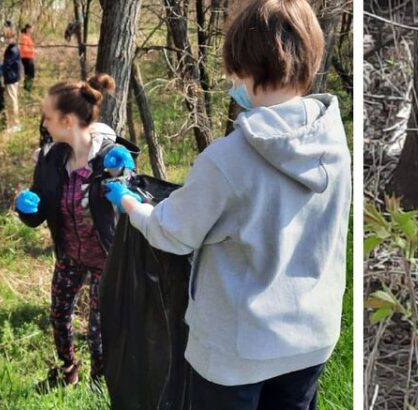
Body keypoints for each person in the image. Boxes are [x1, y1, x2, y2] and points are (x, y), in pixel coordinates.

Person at [102, 0, 347, 406]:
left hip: (238, 351)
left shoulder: (227, 159)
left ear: (245, 67)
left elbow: (173, 233)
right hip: (312, 338)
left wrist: (129, 203)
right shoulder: (335, 146)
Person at [14, 73, 127, 387]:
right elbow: (38, 214)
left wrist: (124, 178)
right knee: (59, 317)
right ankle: (67, 373)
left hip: (106, 258)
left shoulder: (110, 159)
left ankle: (99, 384)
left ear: (66, 121)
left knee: (98, 330)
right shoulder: (52, 161)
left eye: (47, 118)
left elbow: (131, 206)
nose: (43, 124)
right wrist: (26, 208)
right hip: (69, 256)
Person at [0, 23, 24, 129]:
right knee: (11, 100)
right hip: (12, 77)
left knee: (12, 101)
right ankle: (13, 123)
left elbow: (7, 64)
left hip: (11, 78)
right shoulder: (12, 48)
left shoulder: (12, 50)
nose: (5, 40)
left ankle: (15, 124)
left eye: (7, 38)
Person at [19, 24, 38, 92]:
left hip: (28, 57)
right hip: (27, 58)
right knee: (30, 74)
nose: (32, 30)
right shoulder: (24, 37)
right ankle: (28, 88)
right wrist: (33, 51)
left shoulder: (27, 37)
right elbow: (24, 49)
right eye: (31, 29)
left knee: (29, 74)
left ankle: (27, 88)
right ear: (27, 29)